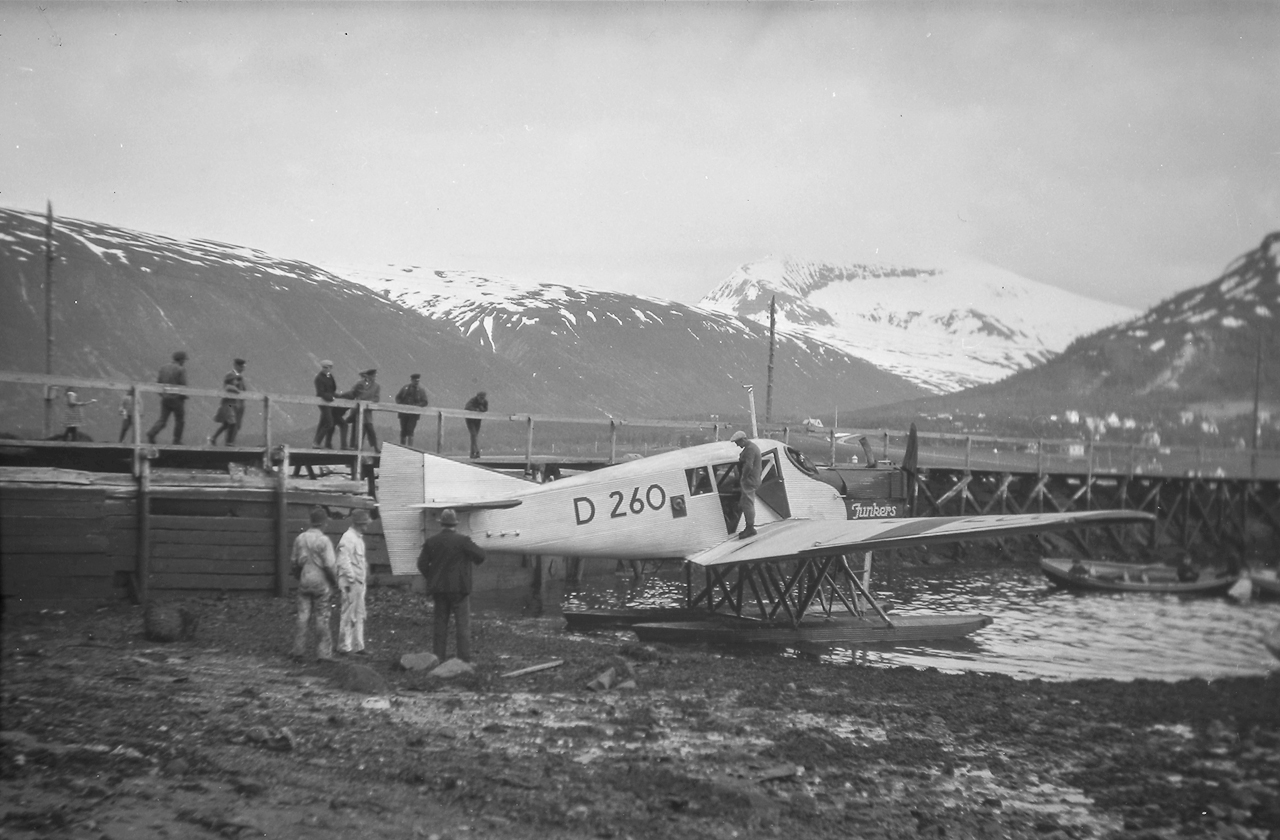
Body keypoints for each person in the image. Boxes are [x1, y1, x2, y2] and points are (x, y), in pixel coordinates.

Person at [417, 508, 486, 662]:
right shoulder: (463, 541)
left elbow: (421, 564)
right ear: (456, 524)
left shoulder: (431, 541)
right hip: (459, 589)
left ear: (441, 524)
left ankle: (438, 658)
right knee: (462, 626)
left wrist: (432, 577)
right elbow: (481, 555)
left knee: (440, 625)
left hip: (439, 589)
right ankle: (463, 660)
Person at [291, 506, 338, 662]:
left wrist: (300, 577)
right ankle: (323, 654)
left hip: (305, 579)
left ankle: (298, 651)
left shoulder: (300, 538)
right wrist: (335, 582)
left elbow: (294, 563)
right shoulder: (324, 541)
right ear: (324, 523)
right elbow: (329, 565)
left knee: (302, 616)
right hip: (321, 583)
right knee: (322, 617)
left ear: (310, 521)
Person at [336, 509, 371, 656]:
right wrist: (352, 579)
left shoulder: (357, 538)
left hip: (359, 582)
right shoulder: (348, 538)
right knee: (348, 614)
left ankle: (358, 646)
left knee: (359, 614)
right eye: (365, 523)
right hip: (352, 583)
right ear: (359, 524)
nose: (366, 526)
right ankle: (345, 647)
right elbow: (343, 561)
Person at [146, 351, 189, 445]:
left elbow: (159, 383)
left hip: (165, 398)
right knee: (180, 420)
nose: (184, 362)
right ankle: (176, 440)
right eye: (184, 360)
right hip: (177, 399)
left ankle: (151, 434)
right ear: (181, 360)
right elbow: (183, 385)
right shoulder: (181, 369)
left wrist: (163, 395)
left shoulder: (163, 368)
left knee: (162, 420)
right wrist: (184, 397)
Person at [731, 430, 762, 539]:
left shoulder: (750, 449)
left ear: (743, 439)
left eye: (737, 442)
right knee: (745, 503)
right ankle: (749, 526)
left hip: (749, 481)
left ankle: (750, 527)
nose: (737, 445)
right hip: (752, 479)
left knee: (748, 503)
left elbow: (749, 465)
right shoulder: (751, 448)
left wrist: (743, 477)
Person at [209, 358, 247, 446]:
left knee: (227, 423)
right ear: (236, 366)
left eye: (243, 367)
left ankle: (214, 438)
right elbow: (229, 387)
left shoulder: (240, 377)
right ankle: (229, 442)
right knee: (232, 422)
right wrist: (237, 390)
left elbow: (243, 389)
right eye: (241, 366)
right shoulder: (230, 375)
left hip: (236, 404)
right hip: (229, 403)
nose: (243, 368)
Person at [395, 373, 430, 447]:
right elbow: (398, 397)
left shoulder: (421, 391)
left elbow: (425, 402)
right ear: (412, 380)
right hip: (403, 413)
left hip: (413, 415)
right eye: (415, 381)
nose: (416, 382)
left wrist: (416, 407)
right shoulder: (405, 389)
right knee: (403, 431)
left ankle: (410, 448)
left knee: (410, 430)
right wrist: (401, 405)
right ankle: (402, 447)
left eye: (418, 381)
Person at [351, 369, 381, 450]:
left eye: (375, 376)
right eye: (373, 376)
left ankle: (375, 446)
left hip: (367, 411)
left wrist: (369, 402)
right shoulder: (360, 384)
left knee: (369, 428)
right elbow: (354, 393)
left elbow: (377, 398)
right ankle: (358, 447)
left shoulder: (376, 386)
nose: (374, 377)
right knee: (360, 429)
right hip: (358, 410)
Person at [313, 360, 338, 448]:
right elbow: (320, 392)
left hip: (329, 402)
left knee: (323, 422)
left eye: (327, 367)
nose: (325, 369)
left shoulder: (330, 376)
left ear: (330, 368)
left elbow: (333, 388)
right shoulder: (319, 378)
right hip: (323, 402)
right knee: (329, 423)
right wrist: (331, 398)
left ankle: (318, 442)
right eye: (324, 367)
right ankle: (317, 442)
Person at [464, 391, 488, 459]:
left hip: (478, 420)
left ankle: (472, 453)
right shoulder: (472, 401)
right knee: (473, 435)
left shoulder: (485, 402)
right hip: (470, 420)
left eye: (483, 398)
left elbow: (485, 409)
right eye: (480, 398)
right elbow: (467, 407)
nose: (482, 400)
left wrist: (482, 409)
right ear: (477, 397)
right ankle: (476, 452)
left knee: (474, 436)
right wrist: (476, 409)